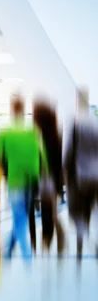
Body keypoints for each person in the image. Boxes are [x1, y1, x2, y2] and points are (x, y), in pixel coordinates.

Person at [0, 93, 46, 263]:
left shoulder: (4, 132)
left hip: (15, 180)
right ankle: (9, 251)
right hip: (32, 180)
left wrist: (7, 169)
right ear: (23, 109)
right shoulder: (34, 130)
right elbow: (43, 158)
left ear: (11, 108)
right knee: (21, 216)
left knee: (20, 217)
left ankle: (27, 257)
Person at [64, 87, 98, 258]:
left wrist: (65, 175)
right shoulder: (96, 121)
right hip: (96, 176)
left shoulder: (74, 121)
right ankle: (82, 247)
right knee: (89, 211)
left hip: (79, 175)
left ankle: (84, 245)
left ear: (77, 100)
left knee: (75, 214)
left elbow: (67, 151)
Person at [33, 100, 65, 255]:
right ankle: (54, 240)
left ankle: (50, 241)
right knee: (50, 213)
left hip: (42, 178)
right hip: (51, 179)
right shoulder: (56, 134)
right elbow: (59, 161)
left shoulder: (36, 135)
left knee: (48, 213)